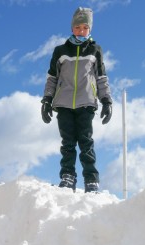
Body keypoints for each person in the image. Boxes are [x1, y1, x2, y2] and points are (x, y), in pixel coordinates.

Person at [40, 6, 112, 193]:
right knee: (68, 143)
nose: (81, 31)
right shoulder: (61, 51)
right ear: (72, 28)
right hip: (63, 104)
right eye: (78, 27)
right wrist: (46, 100)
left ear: (90, 29)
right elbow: (52, 78)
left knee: (86, 142)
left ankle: (91, 180)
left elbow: (101, 78)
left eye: (85, 28)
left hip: (86, 102)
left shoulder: (95, 50)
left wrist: (106, 101)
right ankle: (68, 176)